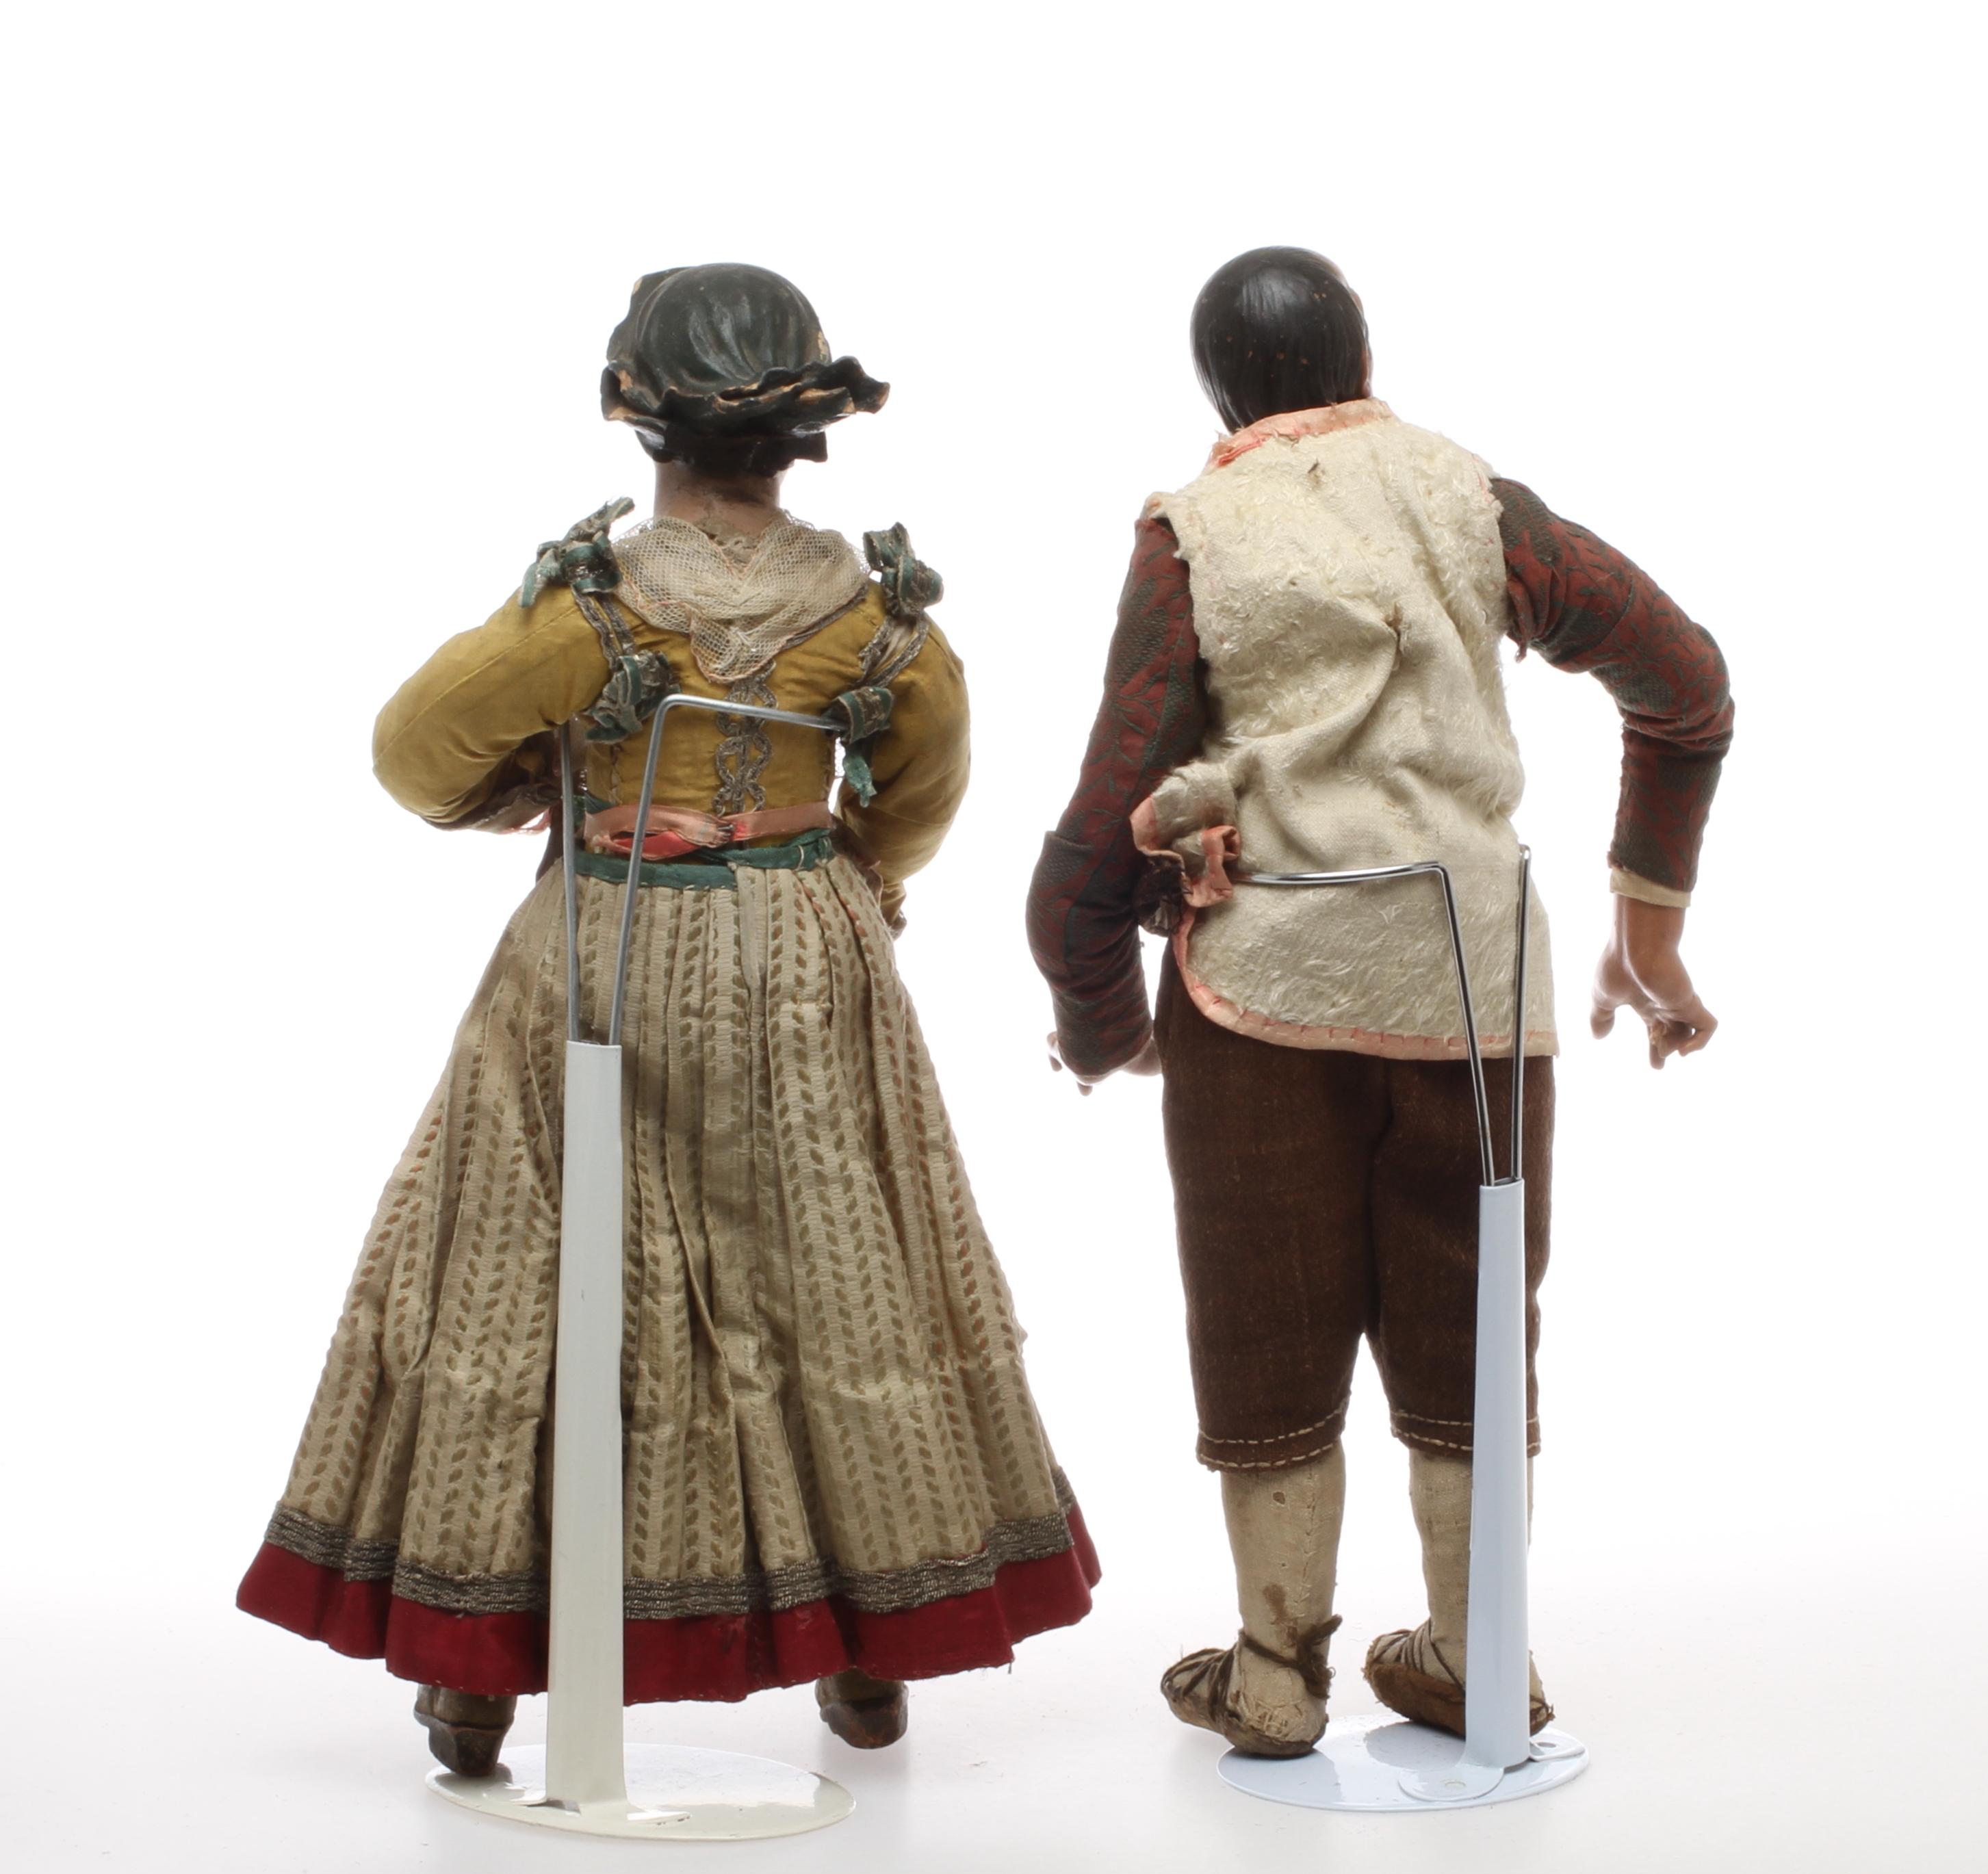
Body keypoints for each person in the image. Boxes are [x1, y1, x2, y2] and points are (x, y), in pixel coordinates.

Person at [240, 262, 1098, 1773]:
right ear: (801, 433)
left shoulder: (585, 610)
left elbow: (414, 752)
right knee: (841, 1266)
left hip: (603, 946)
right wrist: (842, 872)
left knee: (526, 1267)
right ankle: (870, 1646)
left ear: (639, 417)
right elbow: (922, 791)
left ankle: (478, 1666)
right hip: (806, 954)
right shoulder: (875, 614)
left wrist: (534, 785)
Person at [1027, 246, 1729, 1757]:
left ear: (1217, 388)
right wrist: (1646, 930)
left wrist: (1102, 1022)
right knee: (1478, 1321)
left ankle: (1275, 1671)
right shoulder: (1477, 504)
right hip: (1476, 987)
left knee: (1262, 1322)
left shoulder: (1194, 533)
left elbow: (1105, 814)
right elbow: (1685, 686)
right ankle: (1477, 1656)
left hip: (1262, 992)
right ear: (1363, 354)